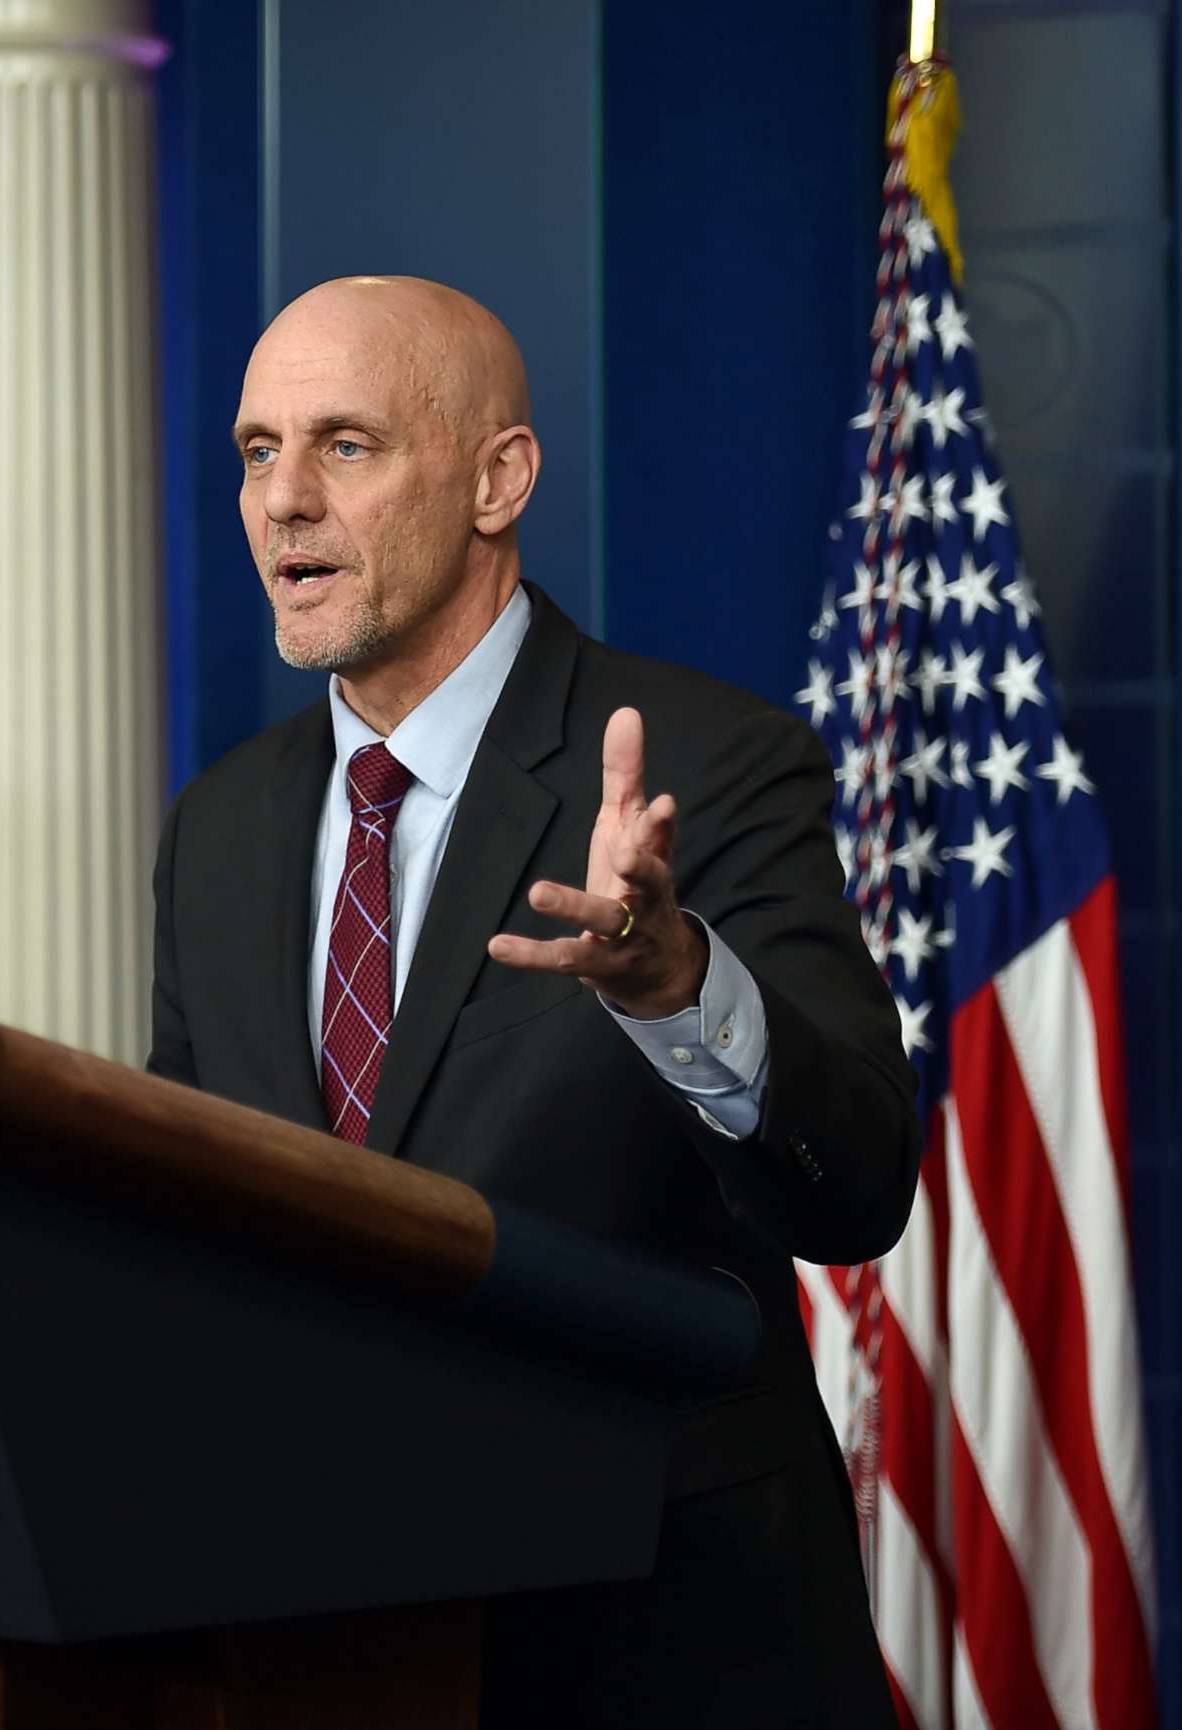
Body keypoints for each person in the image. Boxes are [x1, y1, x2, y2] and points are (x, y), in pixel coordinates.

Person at [149, 277, 917, 1727]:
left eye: (346, 446)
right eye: (258, 451)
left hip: (650, 1642)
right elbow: (192, 1209)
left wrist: (678, 989)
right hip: (317, 1633)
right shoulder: (222, 825)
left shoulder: (713, 760)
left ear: (499, 478)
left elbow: (860, 1180)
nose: (285, 503)